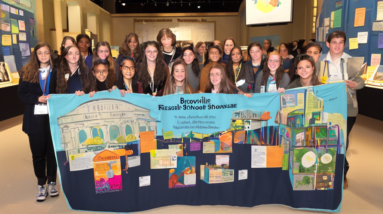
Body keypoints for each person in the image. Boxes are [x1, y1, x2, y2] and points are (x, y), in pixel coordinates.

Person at [320, 31, 365, 189]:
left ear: (344, 44)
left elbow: (360, 81)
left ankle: (342, 172)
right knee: (327, 140)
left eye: (340, 42)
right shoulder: (320, 61)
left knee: (342, 141)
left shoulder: (351, 61)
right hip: (326, 107)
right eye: (334, 42)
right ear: (328, 43)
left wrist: (356, 85)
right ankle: (327, 171)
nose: (337, 45)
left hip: (347, 107)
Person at [17, 42, 59, 202]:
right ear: (36, 55)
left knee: (51, 153)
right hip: (34, 118)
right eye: (40, 53)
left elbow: (61, 91)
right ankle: (41, 184)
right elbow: (21, 94)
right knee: (38, 153)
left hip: (52, 116)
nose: (43, 56)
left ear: (50, 54)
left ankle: (52, 182)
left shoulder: (56, 72)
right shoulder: (27, 72)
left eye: (46, 53)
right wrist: (37, 98)